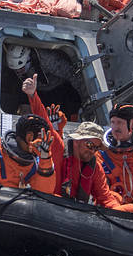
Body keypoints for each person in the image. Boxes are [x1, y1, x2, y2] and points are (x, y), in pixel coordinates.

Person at [21, 74, 122, 209]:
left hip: (72, 214)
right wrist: (32, 95)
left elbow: (105, 198)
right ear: (77, 141)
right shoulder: (58, 148)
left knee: (118, 199)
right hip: (46, 207)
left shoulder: (94, 167)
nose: (92, 151)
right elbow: (44, 122)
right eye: (90, 145)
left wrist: (123, 214)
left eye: (96, 148)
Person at [0, 113, 58, 193]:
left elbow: (45, 192)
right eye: (42, 138)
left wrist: (45, 158)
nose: (44, 142)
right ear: (29, 137)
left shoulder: (39, 163)